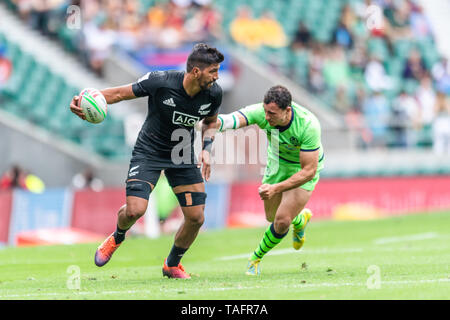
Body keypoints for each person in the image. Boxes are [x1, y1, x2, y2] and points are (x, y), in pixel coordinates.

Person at [69, 43, 224, 279]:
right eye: (213, 71)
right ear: (195, 71)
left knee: (196, 217)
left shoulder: (214, 93)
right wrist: (83, 100)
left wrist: (206, 149)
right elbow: (120, 93)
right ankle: (117, 237)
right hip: (149, 150)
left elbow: (211, 122)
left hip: (181, 154)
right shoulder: (161, 81)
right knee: (135, 211)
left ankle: (172, 264)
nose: (216, 76)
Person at [216, 85, 323, 275]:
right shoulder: (262, 112)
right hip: (277, 165)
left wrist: (276, 188)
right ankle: (299, 220)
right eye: (265, 111)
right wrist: (210, 123)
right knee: (272, 218)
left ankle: (255, 259)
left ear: (287, 111)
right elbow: (233, 119)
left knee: (281, 222)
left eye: (272, 113)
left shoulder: (308, 125)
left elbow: (308, 171)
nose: (266, 117)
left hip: (302, 168)